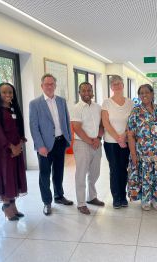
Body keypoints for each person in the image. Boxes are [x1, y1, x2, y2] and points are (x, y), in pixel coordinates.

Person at [29, 73, 73, 216]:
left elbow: (66, 120)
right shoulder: (35, 103)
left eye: (52, 84)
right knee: (44, 174)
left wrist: (69, 139)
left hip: (60, 142)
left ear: (55, 85)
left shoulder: (61, 101)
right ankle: (47, 202)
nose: (49, 86)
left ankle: (59, 196)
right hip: (45, 146)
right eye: (46, 84)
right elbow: (34, 127)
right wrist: (40, 145)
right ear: (42, 86)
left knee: (59, 172)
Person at [127, 84, 157, 211]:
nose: (144, 95)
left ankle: (155, 198)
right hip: (142, 150)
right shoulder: (135, 111)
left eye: (147, 92)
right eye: (141, 93)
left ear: (152, 94)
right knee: (145, 174)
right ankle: (145, 200)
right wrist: (133, 154)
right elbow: (130, 135)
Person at [0, 83, 27, 221]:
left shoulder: (14, 108)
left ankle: (13, 206)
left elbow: (20, 128)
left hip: (17, 148)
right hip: (5, 151)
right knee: (6, 177)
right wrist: (11, 147)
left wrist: (20, 143)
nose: (8, 95)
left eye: (10, 92)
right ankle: (6, 206)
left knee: (15, 176)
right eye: (4, 92)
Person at [71, 82, 105, 215]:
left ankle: (91, 197)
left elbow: (102, 125)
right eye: (83, 91)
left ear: (92, 92)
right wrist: (91, 141)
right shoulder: (76, 108)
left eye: (89, 90)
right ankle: (81, 203)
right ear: (79, 93)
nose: (86, 93)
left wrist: (97, 138)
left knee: (95, 172)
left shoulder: (98, 107)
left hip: (96, 143)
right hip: (82, 144)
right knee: (81, 173)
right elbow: (77, 128)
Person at [102, 75, 134, 209]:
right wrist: (118, 138)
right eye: (114, 84)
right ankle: (116, 197)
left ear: (123, 85)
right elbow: (106, 123)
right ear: (111, 87)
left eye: (119, 84)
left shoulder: (130, 103)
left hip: (126, 141)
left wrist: (124, 136)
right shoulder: (106, 103)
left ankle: (123, 196)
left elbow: (131, 122)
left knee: (124, 169)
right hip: (111, 142)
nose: (117, 86)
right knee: (114, 169)